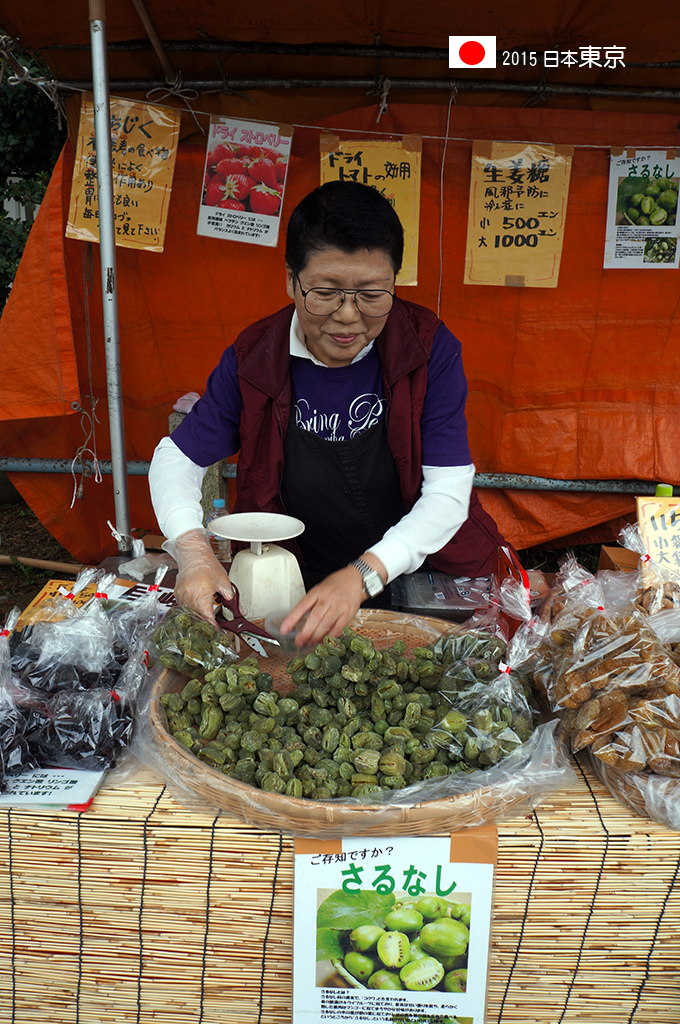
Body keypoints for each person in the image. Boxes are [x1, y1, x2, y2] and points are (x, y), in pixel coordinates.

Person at [149, 180, 509, 647]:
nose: (347, 315)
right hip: (305, 577)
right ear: (291, 281)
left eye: (372, 294)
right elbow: (177, 456)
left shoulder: (428, 348)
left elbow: (447, 494)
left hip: (429, 566)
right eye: (326, 291)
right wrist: (194, 551)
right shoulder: (256, 357)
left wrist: (363, 575)